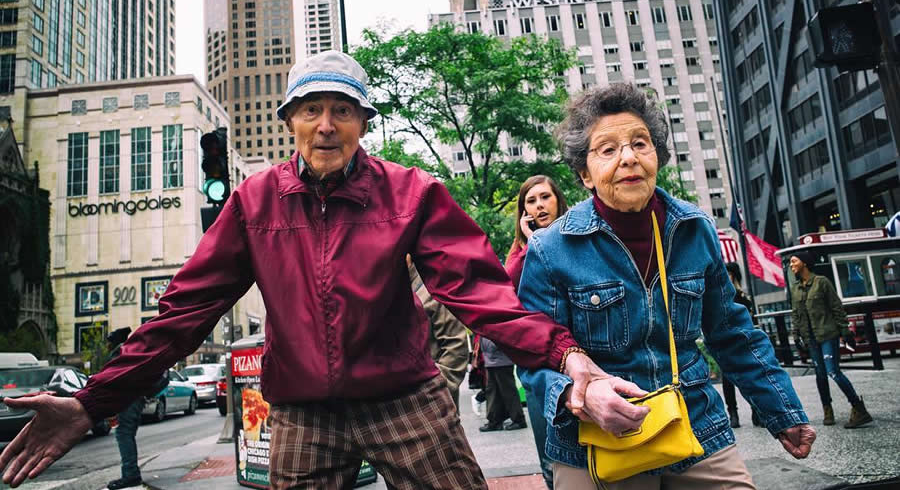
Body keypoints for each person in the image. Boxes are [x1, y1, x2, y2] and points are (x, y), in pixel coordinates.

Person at [0, 51, 608, 490]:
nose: (326, 124)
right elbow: (183, 315)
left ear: (363, 123)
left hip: (404, 400)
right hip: (301, 411)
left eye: (341, 110)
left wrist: (565, 354)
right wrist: (93, 402)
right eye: (312, 109)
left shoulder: (413, 193)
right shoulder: (254, 202)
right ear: (290, 119)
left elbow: (479, 291)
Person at [517, 83, 816, 489]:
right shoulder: (551, 248)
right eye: (608, 149)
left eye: (640, 143)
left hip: (695, 423)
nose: (628, 158)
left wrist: (783, 412)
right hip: (595, 441)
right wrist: (579, 394)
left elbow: (732, 332)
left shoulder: (695, 229)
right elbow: (534, 352)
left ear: (657, 155)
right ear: (585, 174)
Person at [506, 175, 569, 488]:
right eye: (531, 200)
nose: (539, 205)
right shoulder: (520, 251)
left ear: (558, 200)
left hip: (581, 355)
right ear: (523, 211)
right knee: (550, 455)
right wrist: (531, 241)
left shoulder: (575, 238)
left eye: (545, 197)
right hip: (539, 362)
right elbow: (507, 289)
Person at [789, 249, 872, 429]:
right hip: (810, 338)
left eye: (794, 261)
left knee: (833, 371)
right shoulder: (795, 288)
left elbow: (836, 308)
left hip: (827, 334)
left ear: (804, 262)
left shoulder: (822, 283)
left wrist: (845, 332)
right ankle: (827, 409)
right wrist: (796, 335)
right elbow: (796, 314)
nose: (791, 265)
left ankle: (859, 408)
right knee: (820, 374)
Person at [407, 256, 468, 407]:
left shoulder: (431, 289)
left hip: (434, 401)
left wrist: (438, 389)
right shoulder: (389, 290)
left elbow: (456, 346)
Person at [721, 262, 761, 429]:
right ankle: (733, 413)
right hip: (724, 343)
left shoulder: (743, 298)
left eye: (729, 274)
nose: (727, 277)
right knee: (727, 381)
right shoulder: (718, 296)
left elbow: (752, 322)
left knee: (749, 378)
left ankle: (756, 411)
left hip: (743, 342)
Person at [105, 327, 144, 490]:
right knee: (127, 434)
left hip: (126, 400)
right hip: (135, 398)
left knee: (124, 434)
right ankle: (131, 472)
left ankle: (130, 475)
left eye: (108, 341)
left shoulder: (119, 353)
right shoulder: (130, 351)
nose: (106, 345)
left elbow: (113, 378)